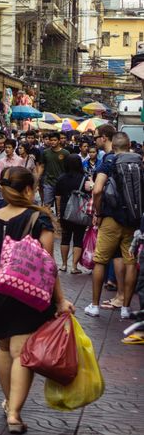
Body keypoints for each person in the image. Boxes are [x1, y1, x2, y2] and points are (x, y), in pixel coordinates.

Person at [0, 166, 75, 435]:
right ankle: (15, 413)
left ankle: (9, 402)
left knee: (4, 348)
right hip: (26, 296)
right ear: (29, 189)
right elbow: (47, 264)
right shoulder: (39, 218)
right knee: (21, 353)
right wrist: (61, 300)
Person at [85, 131, 140, 320]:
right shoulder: (139, 162)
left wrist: (98, 212)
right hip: (133, 220)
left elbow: (98, 189)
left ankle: (94, 305)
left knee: (100, 259)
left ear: (114, 146)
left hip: (111, 218)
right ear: (129, 145)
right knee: (131, 261)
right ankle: (125, 307)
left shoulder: (109, 162)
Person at [54, 154, 89, 275]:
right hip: (80, 211)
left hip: (65, 211)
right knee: (78, 239)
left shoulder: (61, 178)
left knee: (65, 238)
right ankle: (74, 266)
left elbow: (58, 197)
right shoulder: (84, 178)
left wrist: (59, 213)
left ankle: (63, 265)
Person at [36, 132, 68, 213]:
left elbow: (68, 168)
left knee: (60, 206)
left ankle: (59, 221)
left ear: (59, 141)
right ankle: (47, 223)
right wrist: (37, 178)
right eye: (51, 140)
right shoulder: (45, 152)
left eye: (55, 140)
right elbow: (42, 166)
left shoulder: (65, 153)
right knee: (46, 205)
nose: (53, 142)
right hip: (48, 182)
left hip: (62, 183)